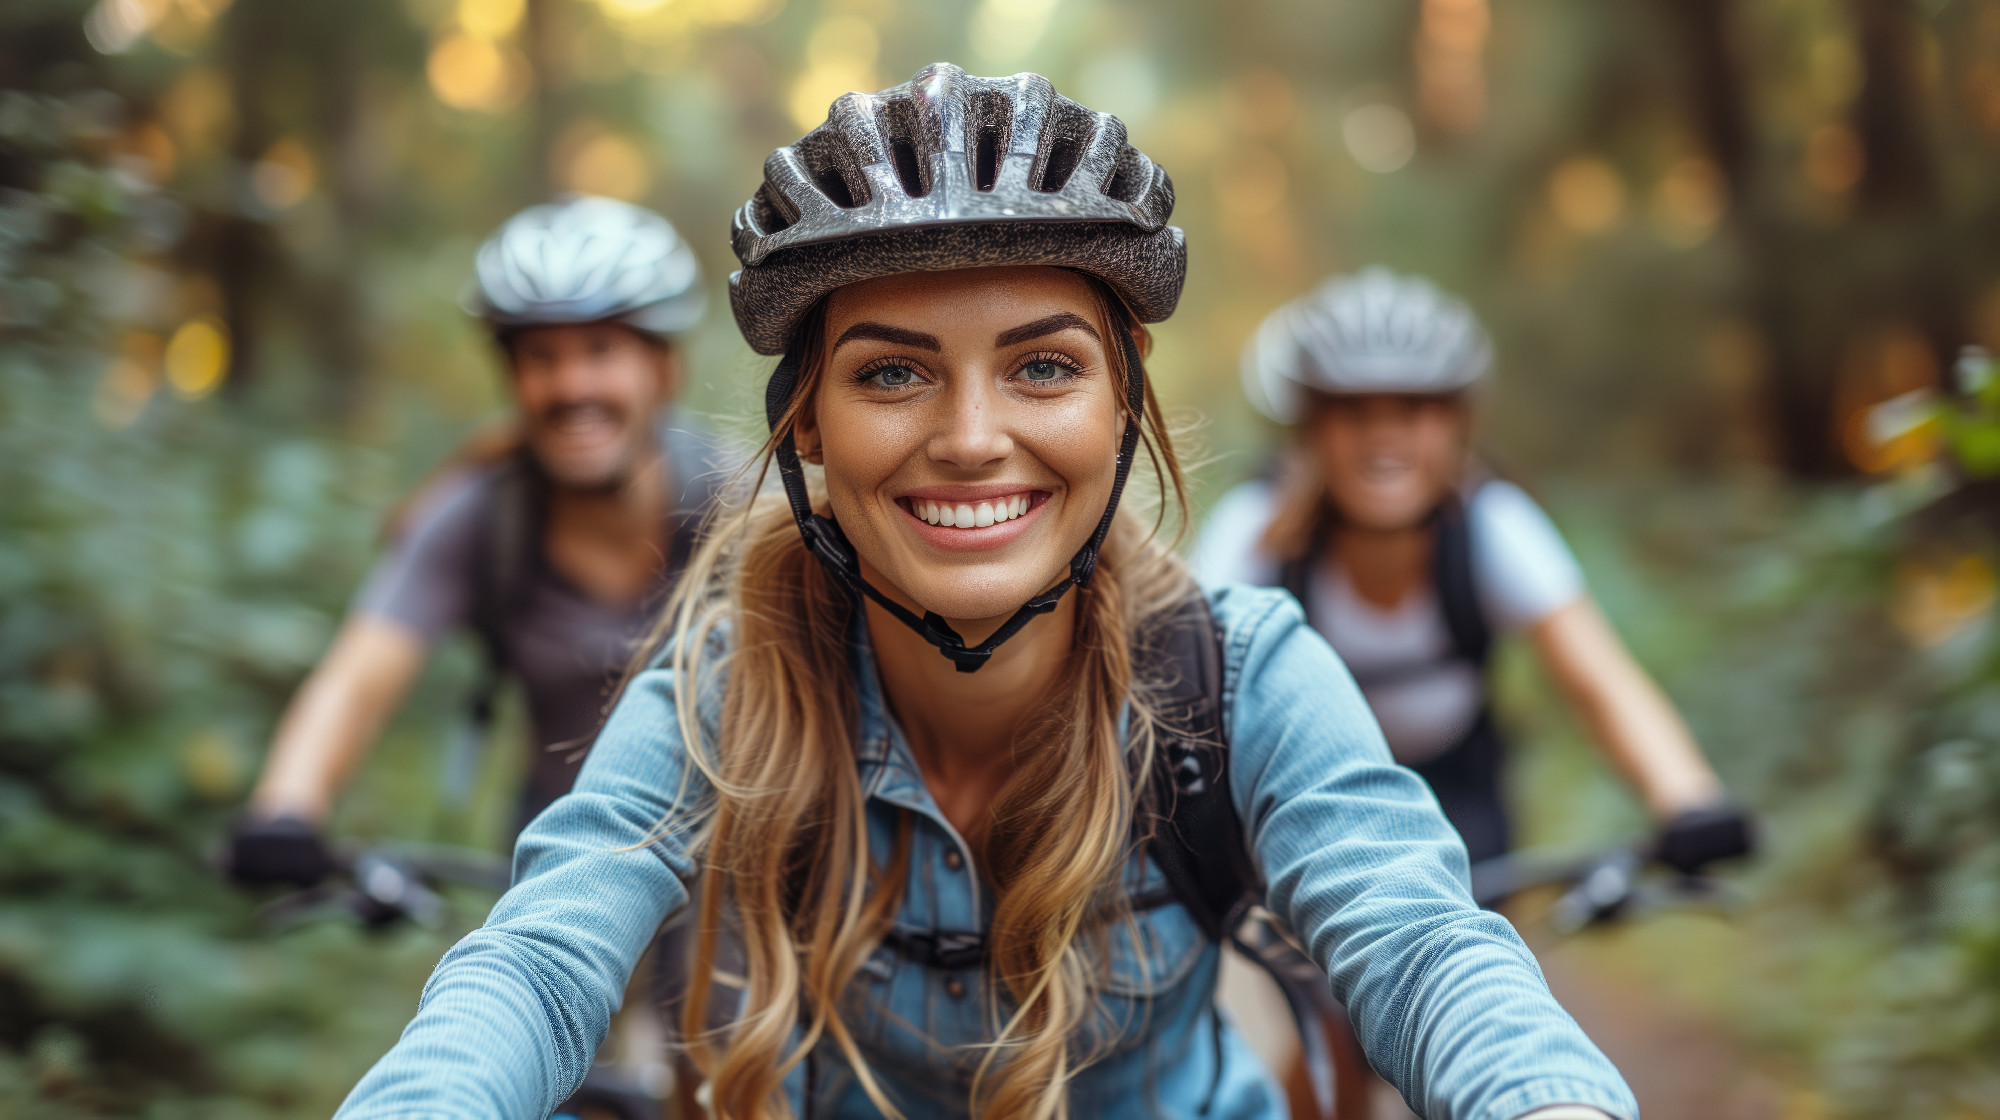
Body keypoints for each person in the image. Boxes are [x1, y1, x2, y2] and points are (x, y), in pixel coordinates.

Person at [334, 65, 1637, 1120]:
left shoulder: (1240, 673)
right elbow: (545, 959)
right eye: (894, 374)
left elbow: (1417, 941)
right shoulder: (730, 687)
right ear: (807, 437)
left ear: (1123, 406)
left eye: (1042, 368)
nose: (969, 436)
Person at [226, 194, 729, 887]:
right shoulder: (479, 518)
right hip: (564, 864)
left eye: (602, 351)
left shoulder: (736, 500)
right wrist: (286, 809)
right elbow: (357, 676)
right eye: (541, 357)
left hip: (747, 851)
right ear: (512, 376)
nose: (571, 384)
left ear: (663, 370)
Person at [1196, 266, 1751, 869]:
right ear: (1309, 429)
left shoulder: (1494, 527)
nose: (1384, 436)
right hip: (1297, 804)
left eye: (1413, 410)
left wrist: (1687, 800)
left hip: (1460, 802)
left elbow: (1601, 682)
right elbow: (1179, 693)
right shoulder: (1253, 535)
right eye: (1353, 411)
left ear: (1459, 424)